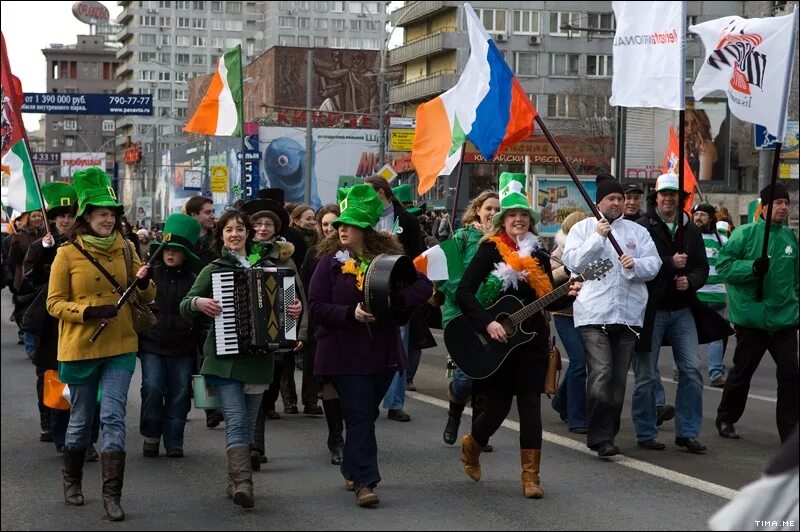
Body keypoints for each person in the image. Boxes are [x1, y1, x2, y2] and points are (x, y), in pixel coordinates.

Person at [456, 173, 579, 498]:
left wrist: (572, 293)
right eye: (512, 215)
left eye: (523, 215)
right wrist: (488, 323)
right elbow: (464, 293)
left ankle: (530, 478)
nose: (519, 220)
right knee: (495, 409)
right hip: (498, 341)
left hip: (533, 340)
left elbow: (550, 297)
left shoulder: (539, 255)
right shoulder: (489, 251)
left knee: (530, 407)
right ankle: (473, 444)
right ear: (502, 221)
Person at [309, 185, 433, 507]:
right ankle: (366, 482)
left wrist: (395, 302)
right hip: (342, 353)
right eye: (340, 225)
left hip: (381, 354)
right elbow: (317, 306)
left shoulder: (389, 261)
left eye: (348, 225)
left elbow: (423, 286)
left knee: (361, 415)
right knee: (361, 414)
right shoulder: (329, 264)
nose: (342, 230)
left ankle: (352, 466)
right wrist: (350, 312)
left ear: (365, 229)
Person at [47, 167, 156, 521]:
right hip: (81, 346)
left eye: (112, 214)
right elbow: (54, 303)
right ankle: (72, 479)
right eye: (101, 214)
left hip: (121, 345)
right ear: (86, 218)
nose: (108, 220)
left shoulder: (126, 248)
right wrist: (89, 311)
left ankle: (112, 495)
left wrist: (144, 282)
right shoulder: (66, 254)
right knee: (80, 421)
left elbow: (147, 294)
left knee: (113, 416)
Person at [180, 208, 302, 509]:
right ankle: (244, 483)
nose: (234, 234)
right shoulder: (214, 269)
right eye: (228, 230)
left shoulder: (270, 267)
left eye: (239, 229)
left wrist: (293, 312)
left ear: (248, 233)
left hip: (258, 361)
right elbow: (185, 304)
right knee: (235, 420)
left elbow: (288, 308)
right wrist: (200, 302)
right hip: (225, 360)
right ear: (221, 236)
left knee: (248, 424)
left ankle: (235, 479)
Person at [563, 174, 662, 457]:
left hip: (629, 315)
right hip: (594, 314)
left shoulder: (637, 232)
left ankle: (608, 434)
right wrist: (598, 237)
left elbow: (653, 265)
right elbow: (573, 263)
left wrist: (636, 265)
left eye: (621, 198)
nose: (618, 203)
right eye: (612, 198)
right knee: (602, 372)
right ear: (599, 202)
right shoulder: (583, 228)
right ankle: (597, 434)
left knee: (618, 380)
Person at [20, 182, 100, 458]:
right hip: (51, 323)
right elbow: (28, 284)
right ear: (52, 218)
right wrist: (44, 251)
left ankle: (87, 438)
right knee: (52, 377)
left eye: (69, 215)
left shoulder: (85, 243)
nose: (65, 220)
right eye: (60, 215)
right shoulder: (39, 246)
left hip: (83, 319)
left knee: (88, 379)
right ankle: (54, 429)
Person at [714, 184, 798, 444]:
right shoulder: (745, 234)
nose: (783, 207)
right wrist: (751, 268)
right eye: (778, 203)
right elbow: (724, 266)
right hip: (753, 320)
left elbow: (795, 279)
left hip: (784, 320)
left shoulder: (790, 238)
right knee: (742, 373)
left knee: (791, 376)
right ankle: (726, 416)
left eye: (786, 203)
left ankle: (790, 432)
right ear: (763, 207)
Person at [632, 173, 709, 454]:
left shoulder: (690, 230)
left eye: (673, 194)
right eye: (663, 194)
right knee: (645, 375)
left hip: (681, 309)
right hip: (650, 310)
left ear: (681, 198)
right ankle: (645, 431)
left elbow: (701, 267)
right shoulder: (643, 226)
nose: (668, 199)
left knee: (691, 369)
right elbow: (636, 265)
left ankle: (687, 432)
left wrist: (690, 280)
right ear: (656, 198)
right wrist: (668, 263)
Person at [240, 196, 309, 467]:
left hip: (276, 334)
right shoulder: (239, 253)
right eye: (258, 223)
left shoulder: (285, 257)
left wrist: (299, 331)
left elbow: (298, 296)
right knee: (249, 389)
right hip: (244, 333)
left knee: (266, 390)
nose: (263, 228)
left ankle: (255, 444)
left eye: (268, 224)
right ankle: (252, 446)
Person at [437, 190, 500, 449]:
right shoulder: (462, 237)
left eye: (498, 210)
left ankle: (477, 435)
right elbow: (446, 275)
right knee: (464, 379)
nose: (493, 213)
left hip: (494, 316)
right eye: (489, 208)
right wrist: (469, 300)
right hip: (460, 315)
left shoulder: (506, 242)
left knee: (485, 375)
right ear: (477, 211)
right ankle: (454, 414)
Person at [138, 213, 202, 459]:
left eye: (176, 250)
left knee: (179, 393)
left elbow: (199, 315)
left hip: (182, 347)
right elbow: (138, 301)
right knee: (152, 388)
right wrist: (141, 283)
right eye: (167, 249)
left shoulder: (194, 280)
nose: (170, 254)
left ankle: (174, 440)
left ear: (185, 254)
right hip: (152, 344)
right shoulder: (150, 274)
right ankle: (151, 435)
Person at [364, 176, 425, 422]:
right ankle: (369, 399)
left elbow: (418, 255)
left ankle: (395, 403)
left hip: (397, 290)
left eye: (369, 193)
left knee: (398, 345)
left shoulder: (407, 220)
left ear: (381, 193)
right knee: (369, 343)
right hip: (369, 286)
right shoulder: (365, 219)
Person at [300, 203, 344, 465]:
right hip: (323, 327)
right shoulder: (313, 254)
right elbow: (305, 292)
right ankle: (336, 436)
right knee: (329, 383)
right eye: (324, 224)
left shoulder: (356, 251)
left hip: (352, 327)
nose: (329, 229)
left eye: (334, 224)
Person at [184, 195, 223, 429]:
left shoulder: (216, 242)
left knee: (206, 361)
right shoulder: (184, 241)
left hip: (211, 307)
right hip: (187, 307)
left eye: (212, 212)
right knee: (187, 365)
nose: (212, 216)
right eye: (207, 212)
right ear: (193, 215)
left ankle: (211, 408)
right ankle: (180, 407)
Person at [549, 210, 590, 434]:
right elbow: (549, 280)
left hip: (590, 313)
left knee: (581, 364)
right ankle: (576, 417)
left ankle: (560, 401)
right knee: (579, 361)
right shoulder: (560, 251)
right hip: (565, 314)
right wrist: (568, 272)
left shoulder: (594, 250)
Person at [692, 203, 729, 387]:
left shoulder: (722, 240)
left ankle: (716, 374)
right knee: (688, 336)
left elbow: (730, 261)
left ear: (711, 219)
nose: (698, 218)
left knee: (716, 337)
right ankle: (682, 369)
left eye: (703, 215)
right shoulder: (687, 237)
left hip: (716, 296)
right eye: (696, 214)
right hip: (694, 295)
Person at [10, 208, 46, 355]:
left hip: (43, 278)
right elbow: (14, 260)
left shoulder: (47, 233)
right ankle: (31, 347)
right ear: (27, 218)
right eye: (34, 216)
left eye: (39, 216)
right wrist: (15, 246)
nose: (37, 218)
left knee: (41, 314)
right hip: (25, 279)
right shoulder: (20, 235)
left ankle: (41, 346)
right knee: (28, 313)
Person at [685, 108, 718, 181]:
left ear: (702, 124)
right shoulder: (689, 148)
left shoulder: (706, 146)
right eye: (686, 124)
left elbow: (703, 184)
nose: (690, 128)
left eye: (695, 123)